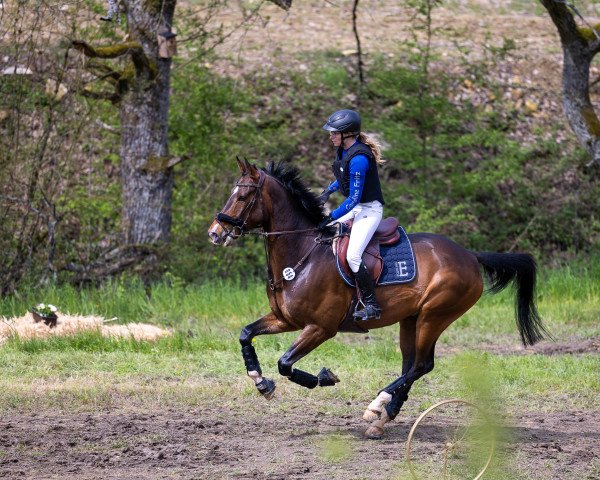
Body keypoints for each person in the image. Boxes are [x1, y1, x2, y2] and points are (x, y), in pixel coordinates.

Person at [317, 109, 386, 321]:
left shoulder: (359, 159)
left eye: (334, 133)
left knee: (353, 256)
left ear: (347, 134)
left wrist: (331, 217)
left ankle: (372, 305)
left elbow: (353, 200)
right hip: (357, 207)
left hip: (369, 209)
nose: (331, 137)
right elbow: (343, 178)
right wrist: (328, 191)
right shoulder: (345, 151)